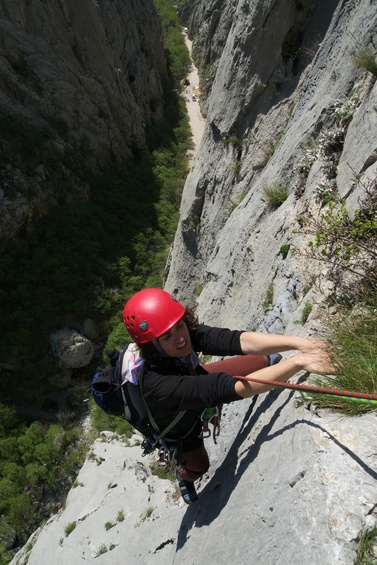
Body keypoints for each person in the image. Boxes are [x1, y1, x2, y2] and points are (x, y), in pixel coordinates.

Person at [122, 288, 335, 504]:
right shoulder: (157, 385)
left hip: (192, 381)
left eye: (180, 325)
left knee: (260, 360)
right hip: (179, 424)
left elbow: (233, 340)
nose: (180, 338)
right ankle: (183, 473)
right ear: (152, 346)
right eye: (167, 336)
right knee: (199, 467)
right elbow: (233, 389)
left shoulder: (177, 336)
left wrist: (300, 343)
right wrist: (298, 362)